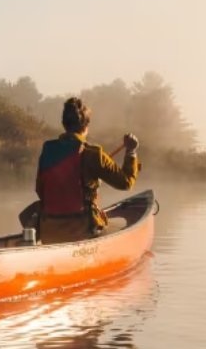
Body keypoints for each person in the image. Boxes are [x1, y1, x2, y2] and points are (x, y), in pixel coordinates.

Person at [33, 97, 140, 244]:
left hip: (48, 231)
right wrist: (131, 152)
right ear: (86, 125)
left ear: (64, 124)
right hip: (81, 232)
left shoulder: (48, 150)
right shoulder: (94, 153)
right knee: (108, 227)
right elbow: (126, 183)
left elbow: (40, 190)